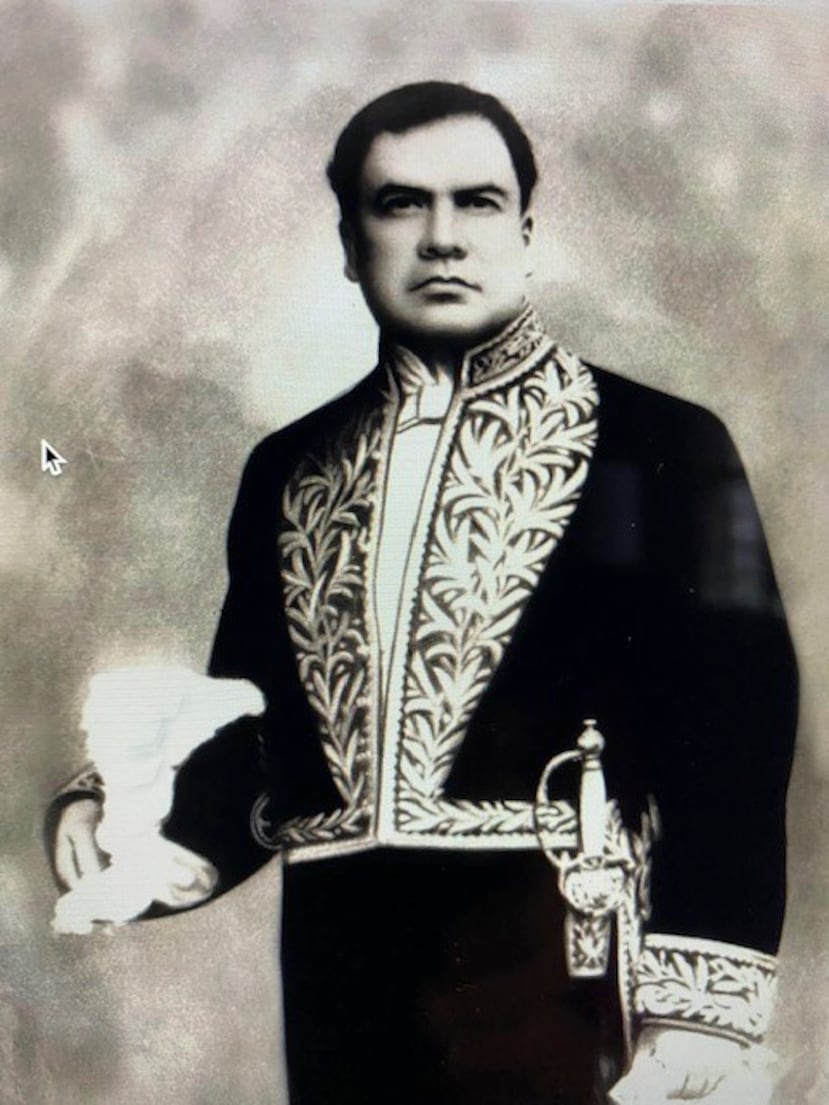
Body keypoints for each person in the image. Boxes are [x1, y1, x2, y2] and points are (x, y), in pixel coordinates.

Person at [49, 82, 798, 1105]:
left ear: (524, 232)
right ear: (350, 244)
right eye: (400, 204)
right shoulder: (289, 471)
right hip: (341, 968)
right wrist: (126, 818)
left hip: (556, 960)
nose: (441, 238)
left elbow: (735, 731)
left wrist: (695, 1010)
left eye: (476, 202)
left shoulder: (662, 444)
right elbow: (261, 739)